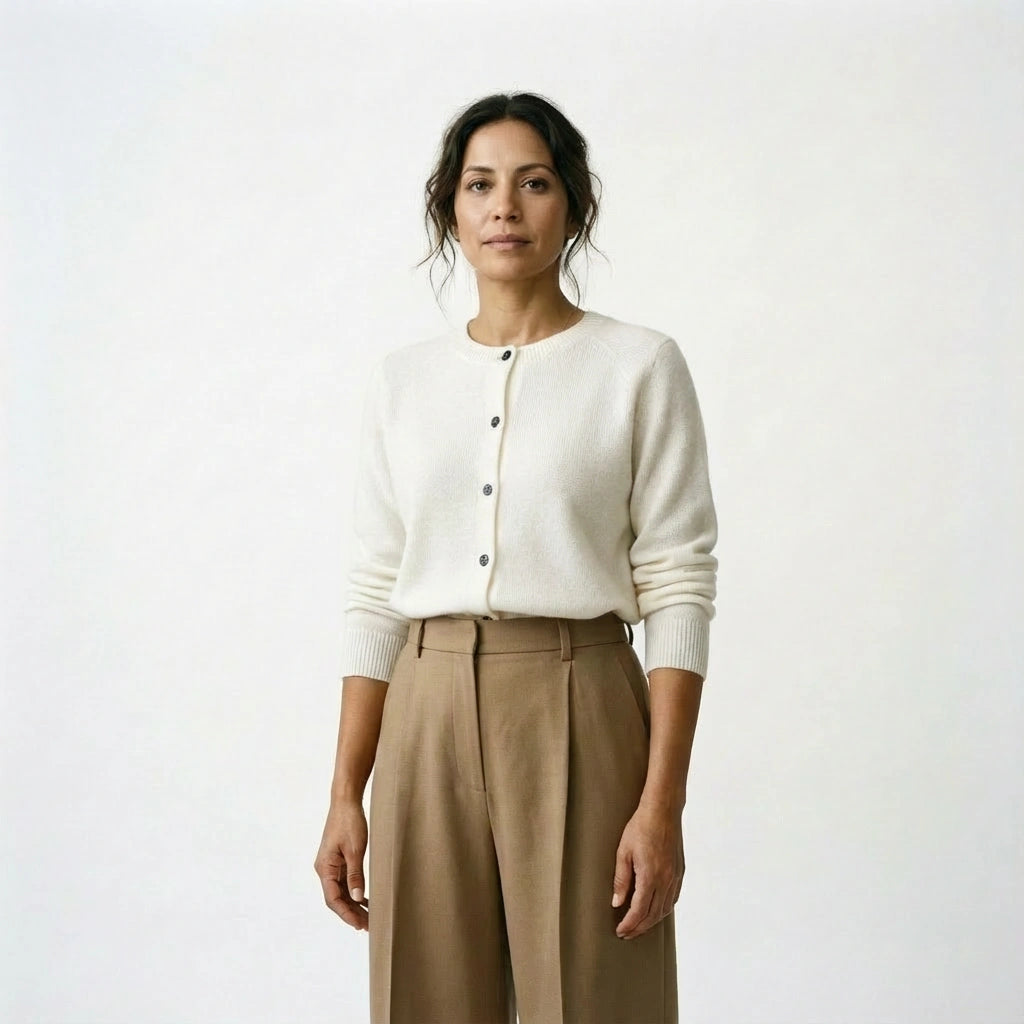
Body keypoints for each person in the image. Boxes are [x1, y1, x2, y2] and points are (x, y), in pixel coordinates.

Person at [314, 92, 718, 1024]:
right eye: (479, 184)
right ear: (449, 209)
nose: (505, 207)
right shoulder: (402, 381)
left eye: (533, 183)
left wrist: (663, 807)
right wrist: (345, 791)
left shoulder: (639, 366)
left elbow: (679, 585)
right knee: (426, 999)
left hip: (581, 697)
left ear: (571, 205)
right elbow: (375, 588)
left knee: (597, 1000)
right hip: (424, 704)